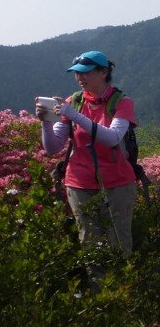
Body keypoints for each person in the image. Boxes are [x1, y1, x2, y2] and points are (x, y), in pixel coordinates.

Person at [35, 50, 138, 255]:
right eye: (77, 73)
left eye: (86, 72)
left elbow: (113, 138)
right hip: (79, 184)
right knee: (89, 243)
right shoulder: (73, 102)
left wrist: (75, 116)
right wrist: (45, 122)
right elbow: (53, 148)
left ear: (103, 72)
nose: (80, 77)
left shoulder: (121, 102)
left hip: (117, 183)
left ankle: (121, 277)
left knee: (119, 242)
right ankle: (97, 278)